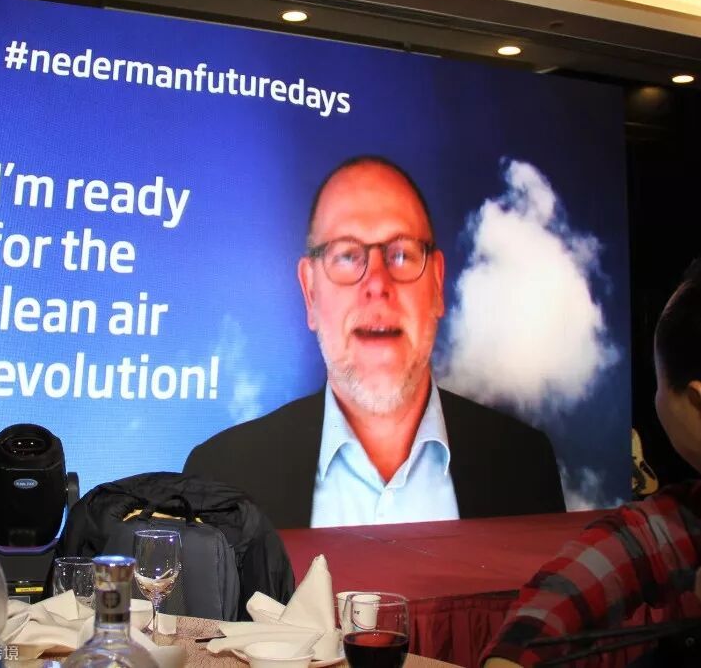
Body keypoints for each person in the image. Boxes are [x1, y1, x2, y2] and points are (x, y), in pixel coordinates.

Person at [184, 156, 564, 528]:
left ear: (436, 285)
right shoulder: (221, 478)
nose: (378, 284)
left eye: (401, 254)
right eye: (347, 256)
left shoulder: (526, 464)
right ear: (310, 292)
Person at [481, 259, 701, 668]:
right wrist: (513, 655)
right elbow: (587, 576)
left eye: (657, 380)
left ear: (695, 401)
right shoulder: (684, 518)